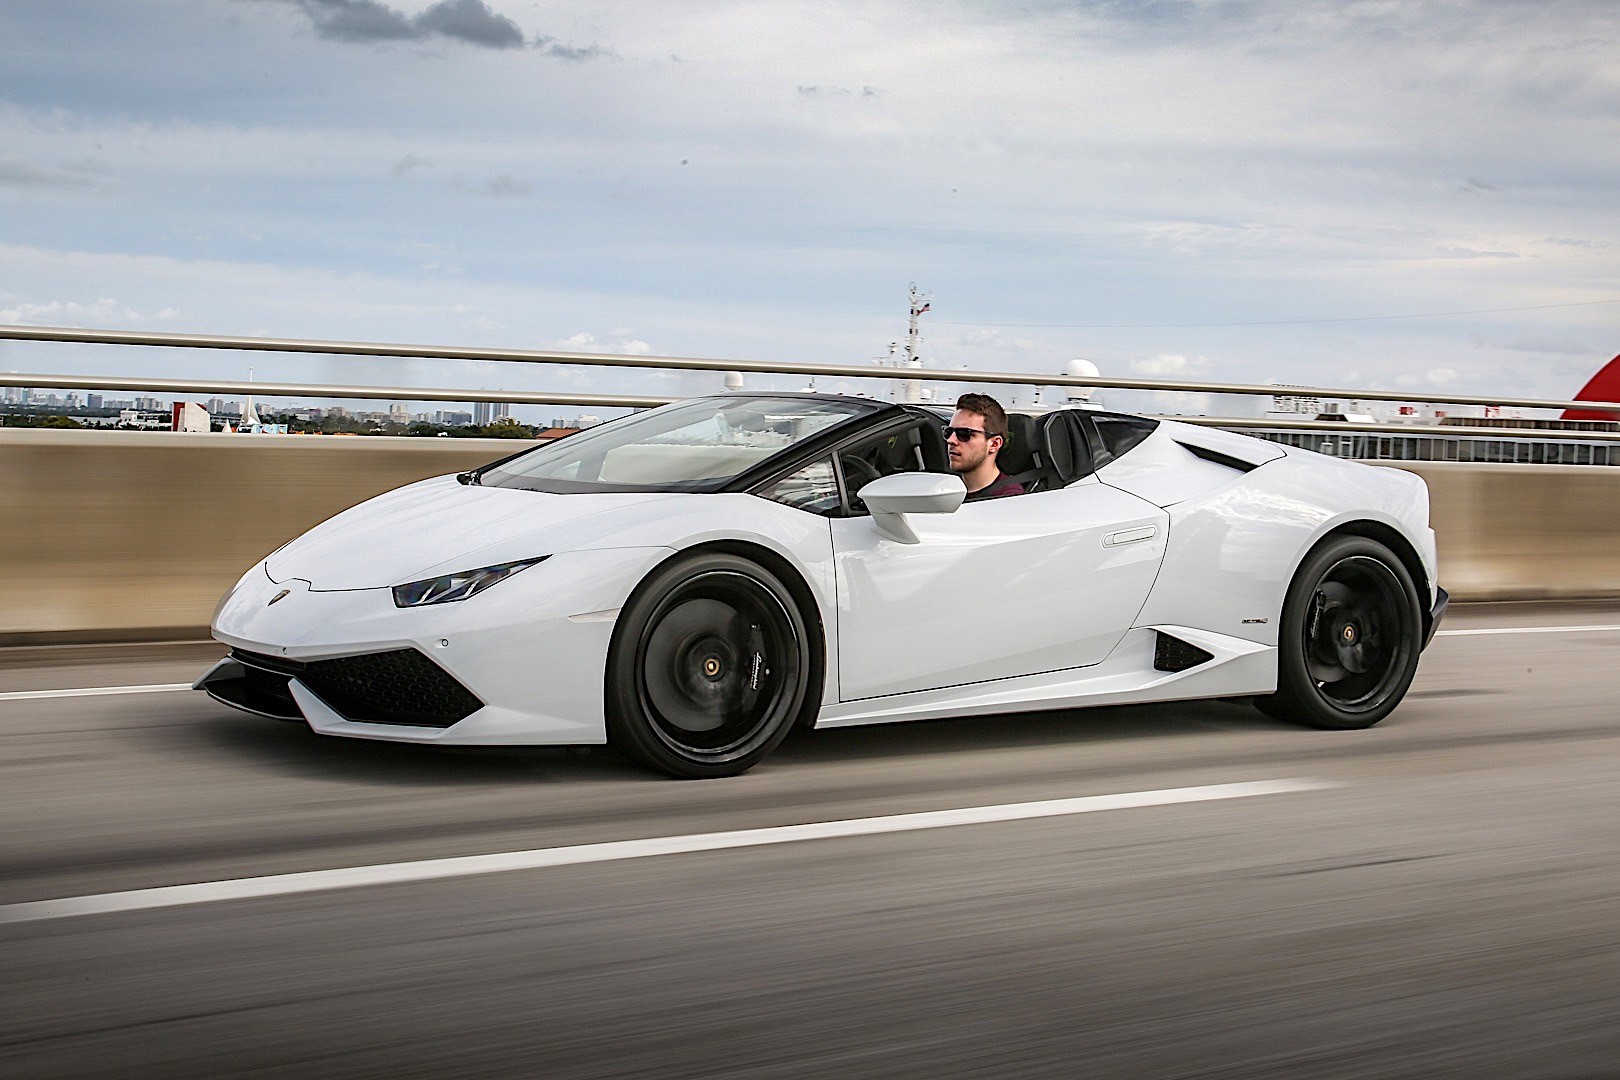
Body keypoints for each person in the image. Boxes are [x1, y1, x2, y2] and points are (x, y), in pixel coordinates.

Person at [945, 392, 1025, 501]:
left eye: (964, 434)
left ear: (994, 444)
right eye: (948, 432)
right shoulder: (946, 493)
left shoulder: (1010, 500)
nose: (951, 440)